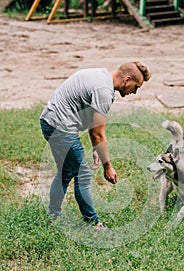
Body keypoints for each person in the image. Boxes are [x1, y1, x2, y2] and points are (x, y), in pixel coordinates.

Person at [40, 61, 151, 229]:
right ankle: (93, 223)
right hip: (61, 127)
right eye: (137, 87)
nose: (135, 92)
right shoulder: (104, 92)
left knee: (66, 171)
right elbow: (98, 134)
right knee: (82, 174)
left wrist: (96, 149)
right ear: (127, 79)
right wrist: (108, 166)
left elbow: (94, 128)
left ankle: (53, 216)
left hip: (49, 121)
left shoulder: (99, 74)